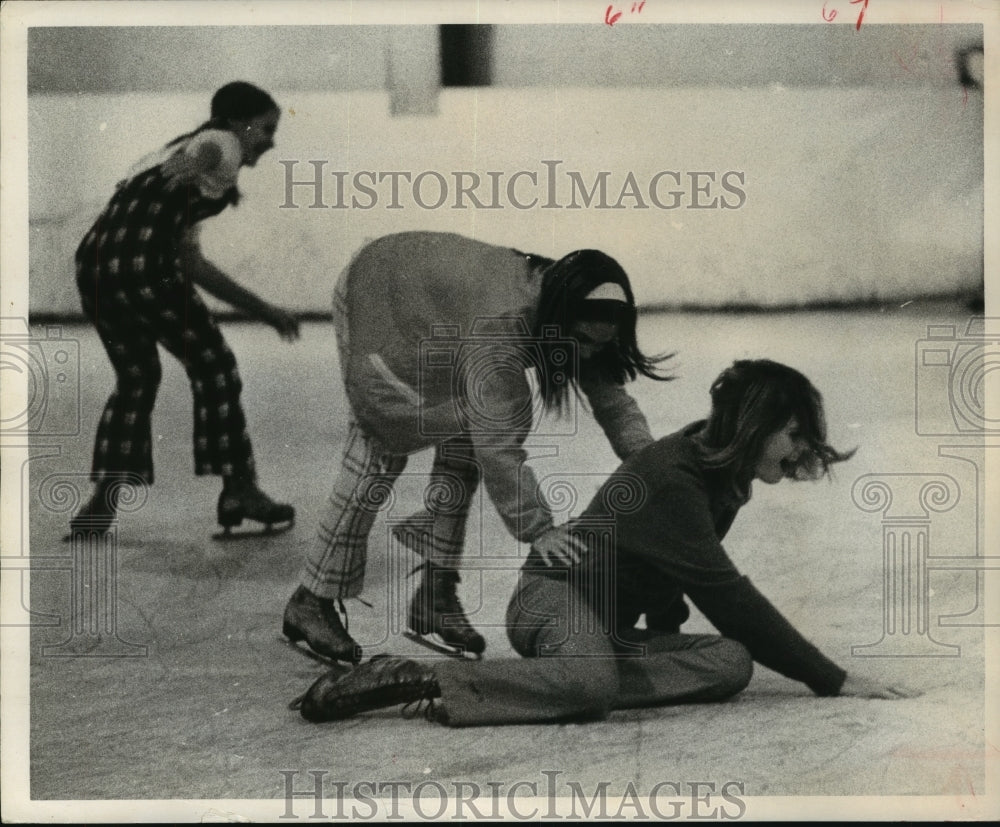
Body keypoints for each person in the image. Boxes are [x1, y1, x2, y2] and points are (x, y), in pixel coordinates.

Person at [294, 359, 919, 726]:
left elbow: (672, 578)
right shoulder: (676, 477)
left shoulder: (721, 477)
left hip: (606, 626)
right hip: (552, 599)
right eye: (791, 432)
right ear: (754, 427)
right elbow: (727, 594)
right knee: (593, 686)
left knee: (730, 661)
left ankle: (573, 673)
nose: (803, 448)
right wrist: (831, 680)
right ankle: (424, 680)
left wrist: (662, 625)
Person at [283, 231, 671, 664]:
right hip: (384, 294)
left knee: (465, 439)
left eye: (601, 345)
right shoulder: (503, 326)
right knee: (377, 453)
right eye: (581, 342)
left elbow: (615, 404)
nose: (587, 355)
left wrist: (655, 468)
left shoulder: (575, 312)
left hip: (441, 314)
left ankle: (436, 592)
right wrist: (539, 529)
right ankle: (311, 599)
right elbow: (499, 446)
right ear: (557, 321)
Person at [71, 81, 300, 538]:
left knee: (137, 379)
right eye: (267, 128)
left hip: (95, 266)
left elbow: (194, 265)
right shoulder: (220, 143)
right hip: (143, 266)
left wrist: (265, 310)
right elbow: (211, 149)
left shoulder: (172, 170)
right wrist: (195, 162)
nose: (271, 140)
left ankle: (102, 501)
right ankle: (239, 488)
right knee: (215, 368)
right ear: (238, 120)